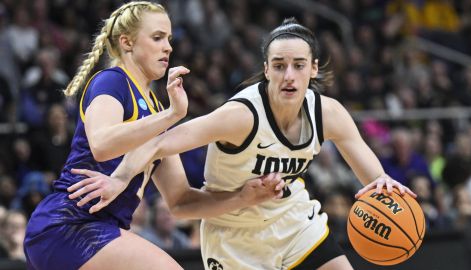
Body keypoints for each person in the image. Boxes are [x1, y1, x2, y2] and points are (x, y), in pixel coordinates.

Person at [69, 18, 417, 270]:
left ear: (313, 69)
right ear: (266, 70)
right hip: (233, 234)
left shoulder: (329, 113)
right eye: (279, 66)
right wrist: (121, 177)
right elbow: (160, 142)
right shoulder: (241, 115)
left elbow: (374, 181)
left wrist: (381, 185)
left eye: (298, 66)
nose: (289, 75)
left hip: (292, 222)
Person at [23, 2, 284, 270]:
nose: (168, 47)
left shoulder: (157, 111)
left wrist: (243, 197)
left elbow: (181, 201)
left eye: (169, 39)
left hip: (102, 231)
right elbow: (102, 144)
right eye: (158, 37)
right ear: (127, 42)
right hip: (69, 225)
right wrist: (171, 115)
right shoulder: (112, 81)